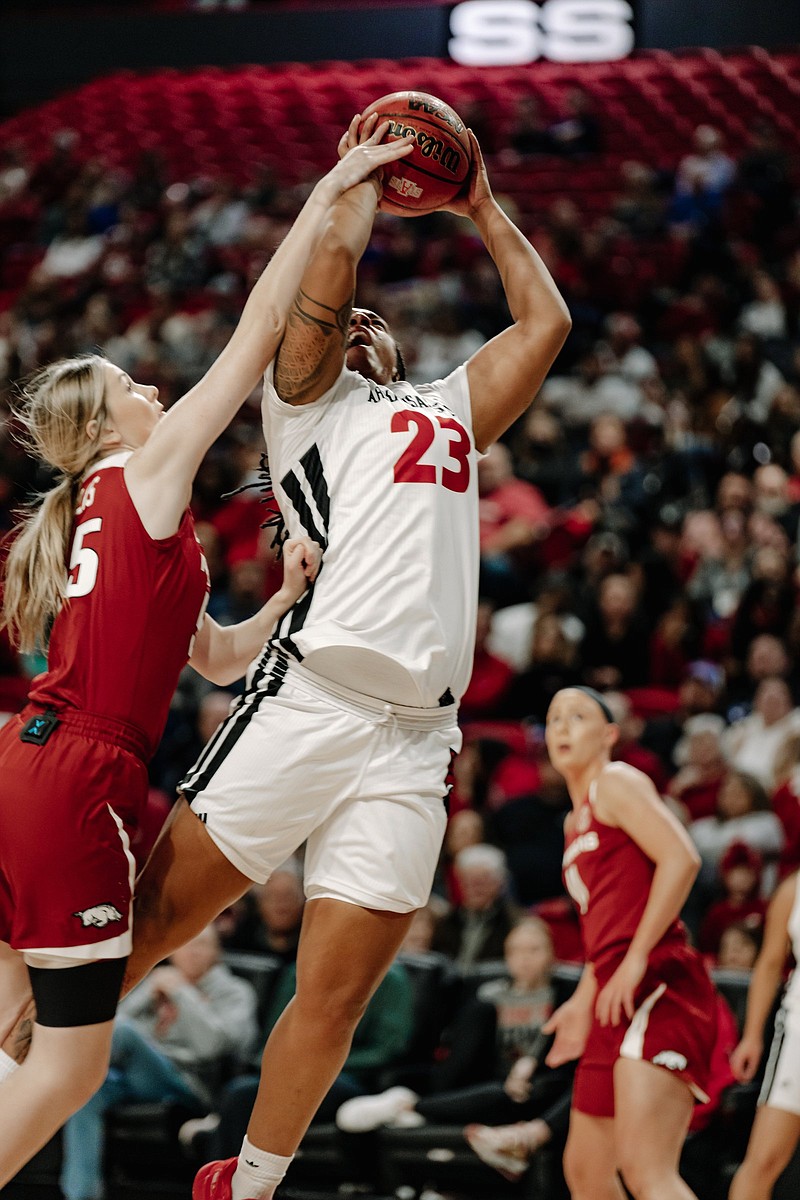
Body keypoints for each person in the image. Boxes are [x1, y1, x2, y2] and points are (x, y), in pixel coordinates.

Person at [101, 116, 571, 1200]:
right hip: (309, 701)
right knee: (157, 925)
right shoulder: (307, 404)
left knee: (335, 995)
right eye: (338, 317)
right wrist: (358, 179)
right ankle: (12, 1050)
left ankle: (247, 1184)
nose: (351, 319)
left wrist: (480, 203)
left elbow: (542, 323)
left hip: (416, 741)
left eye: (369, 320)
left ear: (398, 345)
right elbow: (327, 267)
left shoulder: (452, 412)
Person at [0, 124, 417, 1188]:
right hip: (79, 776)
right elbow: (255, 331)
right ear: (103, 428)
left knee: (8, 1028)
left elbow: (218, 664)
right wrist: (330, 192)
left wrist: (281, 599)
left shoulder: (131, 515)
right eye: (131, 386)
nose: (151, 391)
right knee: (67, 1070)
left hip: (26, 764)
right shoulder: (143, 475)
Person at [542, 687, 718, 1200]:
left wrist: (638, 956)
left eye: (578, 716)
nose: (563, 728)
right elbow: (606, 930)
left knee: (646, 1170)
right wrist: (581, 1000)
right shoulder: (573, 824)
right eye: (553, 719)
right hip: (612, 992)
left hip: (661, 981)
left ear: (610, 734)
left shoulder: (615, 783)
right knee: (586, 1171)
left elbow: (681, 858)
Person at [61, 925, 258, 1200]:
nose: (193, 952)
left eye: (202, 945)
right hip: (134, 1075)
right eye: (186, 944)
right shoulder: (157, 982)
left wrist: (182, 994)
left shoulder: (235, 992)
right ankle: (81, 1195)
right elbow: (119, 1019)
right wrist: (149, 992)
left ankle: (51, 1070)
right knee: (86, 1091)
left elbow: (212, 1047)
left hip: (189, 1082)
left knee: (122, 1032)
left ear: (217, 952)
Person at [728, 871, 800, 1200]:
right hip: (796, 1035)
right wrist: (752, 1036)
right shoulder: (792, 889)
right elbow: (769, 964)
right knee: (763, 1160)